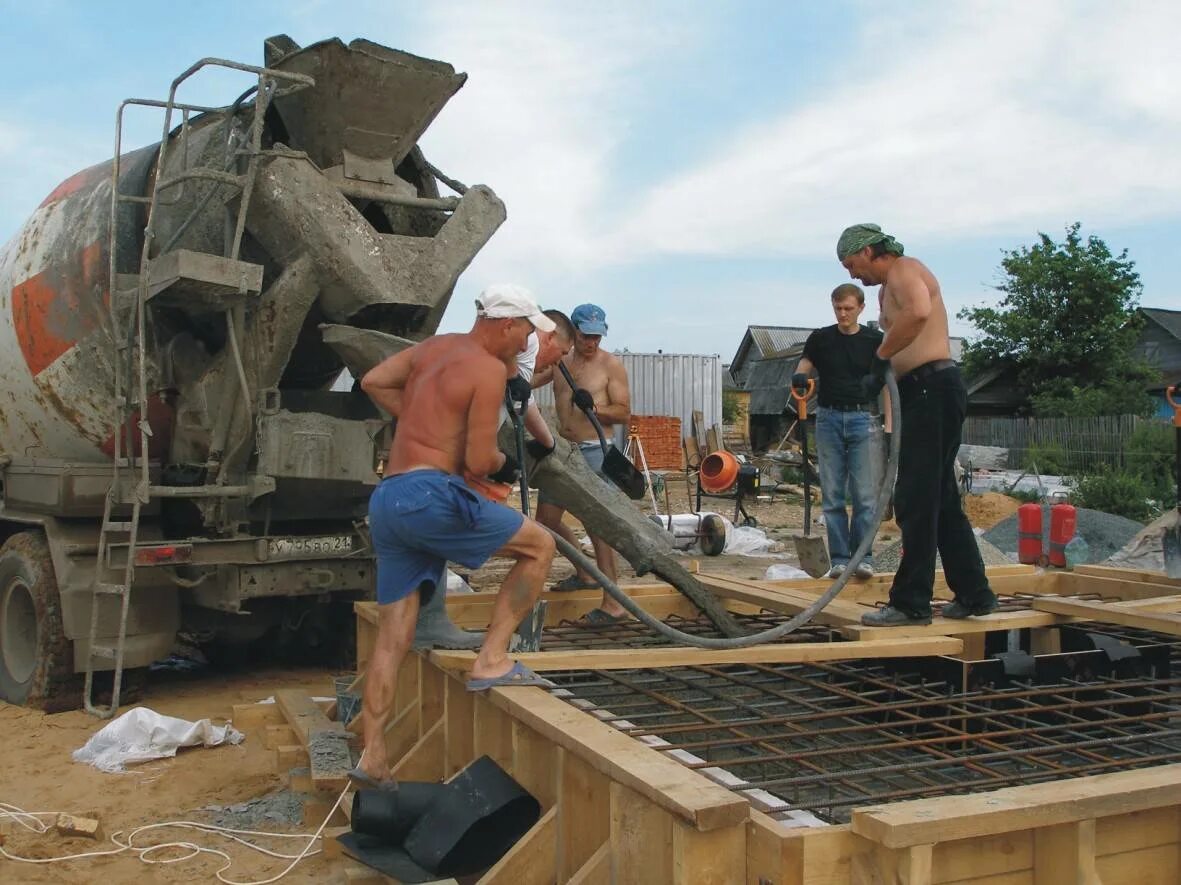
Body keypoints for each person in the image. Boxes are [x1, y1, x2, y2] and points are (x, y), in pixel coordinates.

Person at [352, 284, 558, 788]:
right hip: (431, 496)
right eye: (526, 330)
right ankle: (491, 660)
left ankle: (372, 755)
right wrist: (503, 467)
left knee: (393, 635)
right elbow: (476, 461)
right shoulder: (486, 369)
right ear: (505, 325)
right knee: (541, 545)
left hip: (391, 498)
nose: (528, 340)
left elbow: (373, 380)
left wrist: (425, 423)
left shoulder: (436, 348)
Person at [836, 224, 996, 627]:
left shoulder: (905, 268)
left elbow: (920, 312)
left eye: (852, 264)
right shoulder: (886, 287)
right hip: (923, 392)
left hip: (933, 389)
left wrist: (881, 355)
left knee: (916, 499)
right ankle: (975, 595)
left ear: (869, 250)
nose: (853, 275)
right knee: (941, 501)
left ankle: (911, 604)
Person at [415, 307, 574, 649]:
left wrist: (545, 441)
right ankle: (490, 648)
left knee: (435, 529)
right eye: (559, 354)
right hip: (455, 455)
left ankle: (427, 620)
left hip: (447, 450)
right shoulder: (528, 343)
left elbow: (523, 401)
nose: (554, 363)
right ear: (548, 336)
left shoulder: (521, 354)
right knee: (537, 546)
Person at [534, 304, 632, 623]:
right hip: (563, 450)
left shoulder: (610, 365)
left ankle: (613, 603)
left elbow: (623, 413)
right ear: (574, 333)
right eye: (586, 336)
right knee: (546, 520)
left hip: (594, 453)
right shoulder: (561, 360)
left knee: (599, 527)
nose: (592, 343)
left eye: (597, 337)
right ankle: (585, 573)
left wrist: (597, 408)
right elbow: (532, 376)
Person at [794, 283, 890, 580]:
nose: (843, 313)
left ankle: (863, 558)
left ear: (861, 308)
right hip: (828, 418)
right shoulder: (821, 338)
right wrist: (799, 377)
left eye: (848, 308)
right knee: (832, 492)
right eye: (838, 308)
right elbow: (805, 364)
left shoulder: (876, 341)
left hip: (864, 418)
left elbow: (888, 383)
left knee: (865, 495)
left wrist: (889, 424)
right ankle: (838, 559)